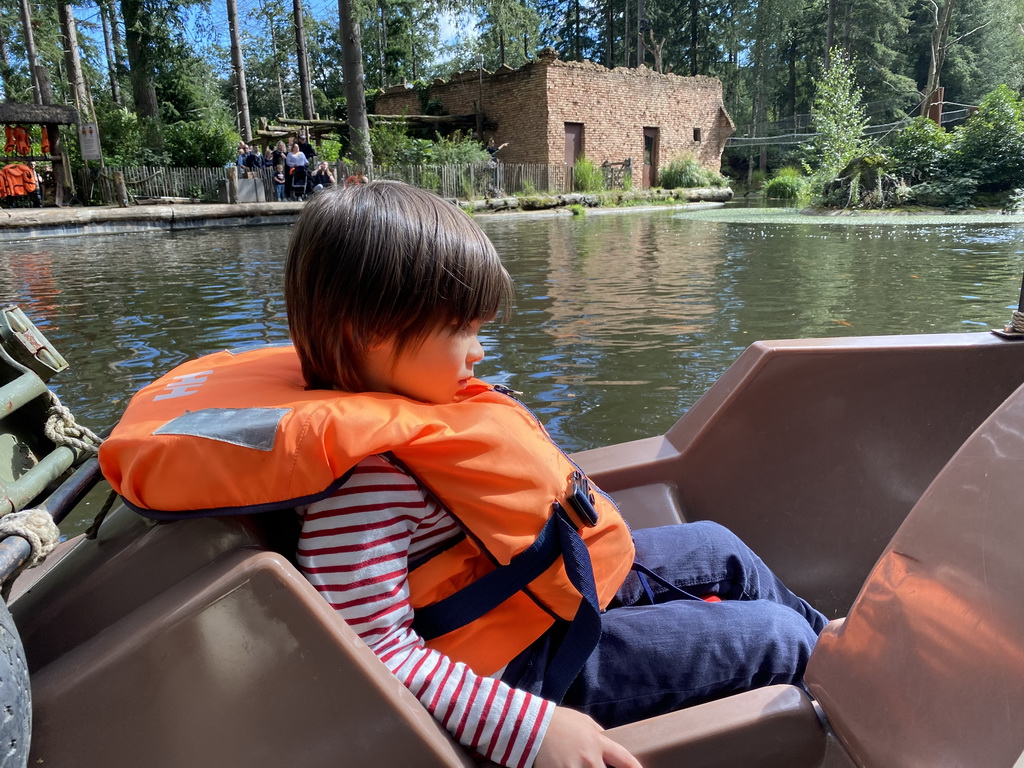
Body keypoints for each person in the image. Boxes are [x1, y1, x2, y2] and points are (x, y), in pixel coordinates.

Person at [99, 182, 826, 768]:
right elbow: (379, 656)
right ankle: (843, 690)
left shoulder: (402, 407)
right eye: (462, 330)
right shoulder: (364, 485)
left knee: (717, 547)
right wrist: (534, 730)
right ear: (368, 335)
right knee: (771, 637)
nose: (480, 352)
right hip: (523, 672)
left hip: (537, 590)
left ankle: (841, 641)